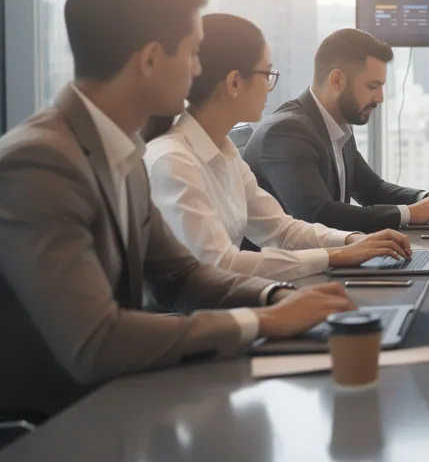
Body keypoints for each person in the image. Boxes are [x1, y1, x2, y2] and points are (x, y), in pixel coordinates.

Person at [0, 0, 355, 419]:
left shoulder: (117, 150)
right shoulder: (36, 164)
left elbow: (181, 275)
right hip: (26, 434)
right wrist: (262, 322)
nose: (198, 67)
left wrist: (277, 297)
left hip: (97, 406)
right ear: (149, 60)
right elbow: (95, 342)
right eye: (192, 52)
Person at [143, 14, 414, 280]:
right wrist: (335, 255)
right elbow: (220, 264)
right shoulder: (172, 161)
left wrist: (352, 241)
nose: (270, 87)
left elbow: (281, 231)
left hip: (228, 302)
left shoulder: (225, 153)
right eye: (267, 74)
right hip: (191, 318)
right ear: (234, 82)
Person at [244, 28, 429, 232]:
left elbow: (373, 190)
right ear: (337, 80)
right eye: (372, 86)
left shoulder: (337, 126)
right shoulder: (287, 132)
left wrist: (428, 200)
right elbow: (318, 216)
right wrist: (409, 214)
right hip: (284, 271)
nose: (380, 98)